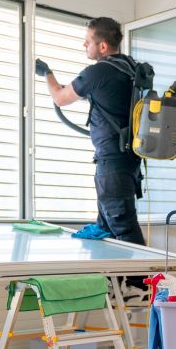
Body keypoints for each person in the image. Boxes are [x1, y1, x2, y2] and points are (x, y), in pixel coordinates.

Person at [36, 16, 146, 247]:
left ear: (103, 46)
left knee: (123, 228)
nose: (84, 45)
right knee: (108, 228)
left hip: (113, 163)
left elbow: (60, 97)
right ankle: (118, 281)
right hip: (128, 160)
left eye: (88, 41)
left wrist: (47, 73)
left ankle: (143, 283)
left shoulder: (99, 72)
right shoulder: (131, 68)